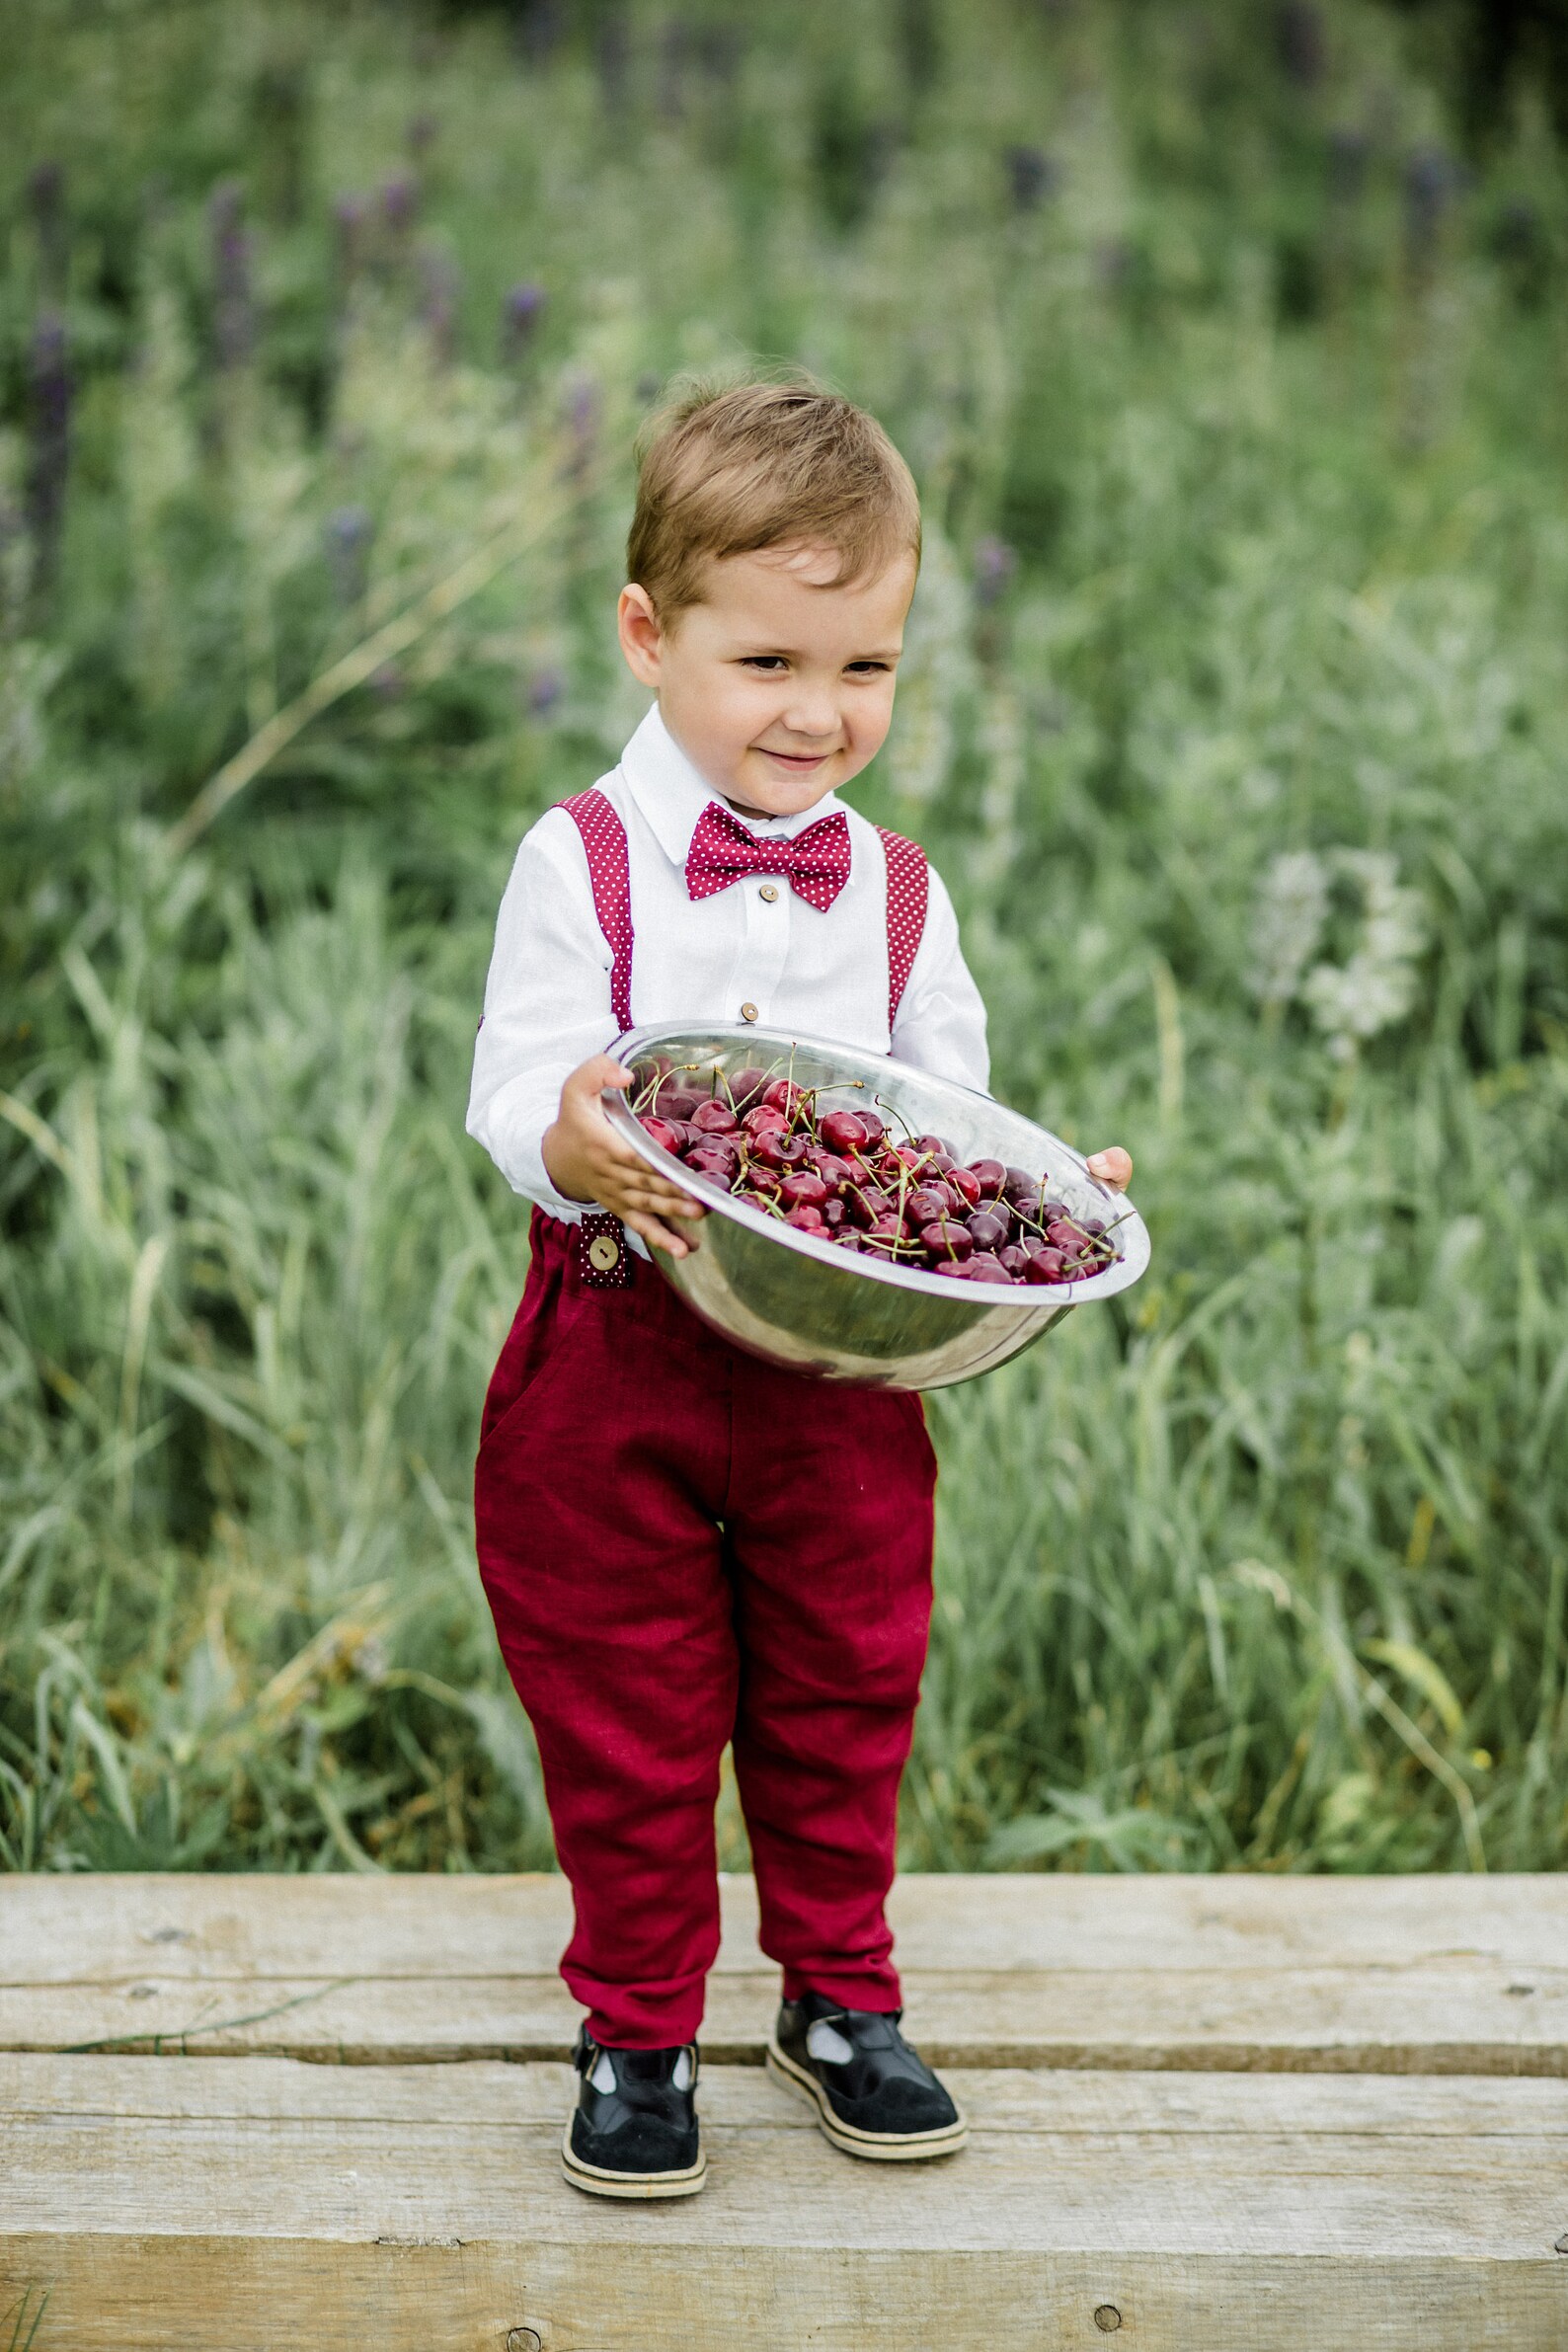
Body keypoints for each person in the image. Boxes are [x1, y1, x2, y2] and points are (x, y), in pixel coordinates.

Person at [468, 379, 1132, 2200]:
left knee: (850, 1682)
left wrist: (1045, 1183)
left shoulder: (899, 890)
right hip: (618, 1341)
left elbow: (945, 1117)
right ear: (647, 635)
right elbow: (515, 1081)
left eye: (869, 670)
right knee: (625, 1699)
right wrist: (573, 1133)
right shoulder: (580, 856)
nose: (820, 715)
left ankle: (837, 1997)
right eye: (767, 661)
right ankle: (637, 2024)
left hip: (843, 1369)